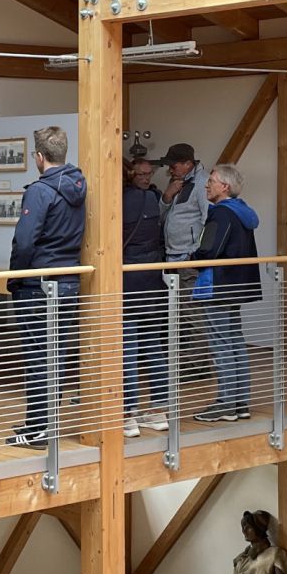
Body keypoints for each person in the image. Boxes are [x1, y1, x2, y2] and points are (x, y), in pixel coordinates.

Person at [7, 125, 86, 447]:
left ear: (39, 156)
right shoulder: (79, 185)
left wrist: (15, 276)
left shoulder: (40, 191)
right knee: (56, 354)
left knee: (37, 356)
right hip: (68, 280)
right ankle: (43, 422)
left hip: (38, 283)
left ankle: (39, 427)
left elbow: (25, 241)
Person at [191, 162, 262, 422]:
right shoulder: (243, 213)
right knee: (234, 342)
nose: (206, 186)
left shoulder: (221, 214)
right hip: (235, 287)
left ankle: (225, 404)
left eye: (211, 181)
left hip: (217, 286)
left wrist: (191, 258)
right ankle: (240, 402)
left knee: (220, 344)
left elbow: (209, 250)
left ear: (224, 186)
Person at [121, 156, 169, 438]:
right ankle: (159, 410)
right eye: (143, 173)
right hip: (152, 281)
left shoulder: (121, 200)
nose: (146, 177)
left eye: (148, 173)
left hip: (129, 280)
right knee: (153, 346)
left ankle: (128, 414)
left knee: (127, 349)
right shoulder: (153, 199)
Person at [160, 142, 208, 261]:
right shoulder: (174, 180)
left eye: (173, 166)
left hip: (188, 255)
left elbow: (207, 218)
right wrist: (167, 196)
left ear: (187, 164)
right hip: (170, 252)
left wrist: (194, 252)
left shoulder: (203, 182)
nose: (170, 170)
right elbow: (160, 216)